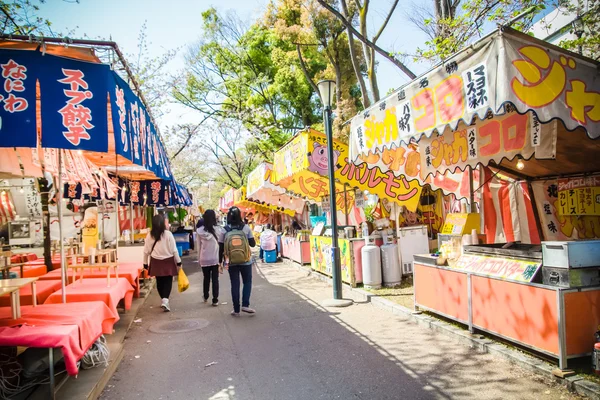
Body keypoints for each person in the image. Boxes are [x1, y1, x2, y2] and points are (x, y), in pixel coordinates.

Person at [219, 207, 256, 316]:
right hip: (246, 260)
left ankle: (236, 309)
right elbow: (253, 244)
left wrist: (220, 262)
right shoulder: (246, 228)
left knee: (235, 284)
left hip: (231, 261)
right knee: (247, 282)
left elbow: (221, 247)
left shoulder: (224, 230)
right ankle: (245, 304)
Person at [143, 214, 181, 312]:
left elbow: (146, 251)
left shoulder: (149, 235)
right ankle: (165, 300)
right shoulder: (168, 234)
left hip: (155, 261)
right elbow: (174, 250)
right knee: (168, 281)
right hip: (168, 260)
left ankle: (164, 300)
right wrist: (179, 262)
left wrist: (145, 263)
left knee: (159, 281)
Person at [196, 210, 223, 306]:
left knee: (206, 278)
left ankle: (206, 296)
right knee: (215, 279)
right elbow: (221, 245)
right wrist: (222, 259)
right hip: (215, 258)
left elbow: (198, 247)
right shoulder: (219, 230)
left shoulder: (199, 231)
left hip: (204, 258)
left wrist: (199, 259)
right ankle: (215, 299)